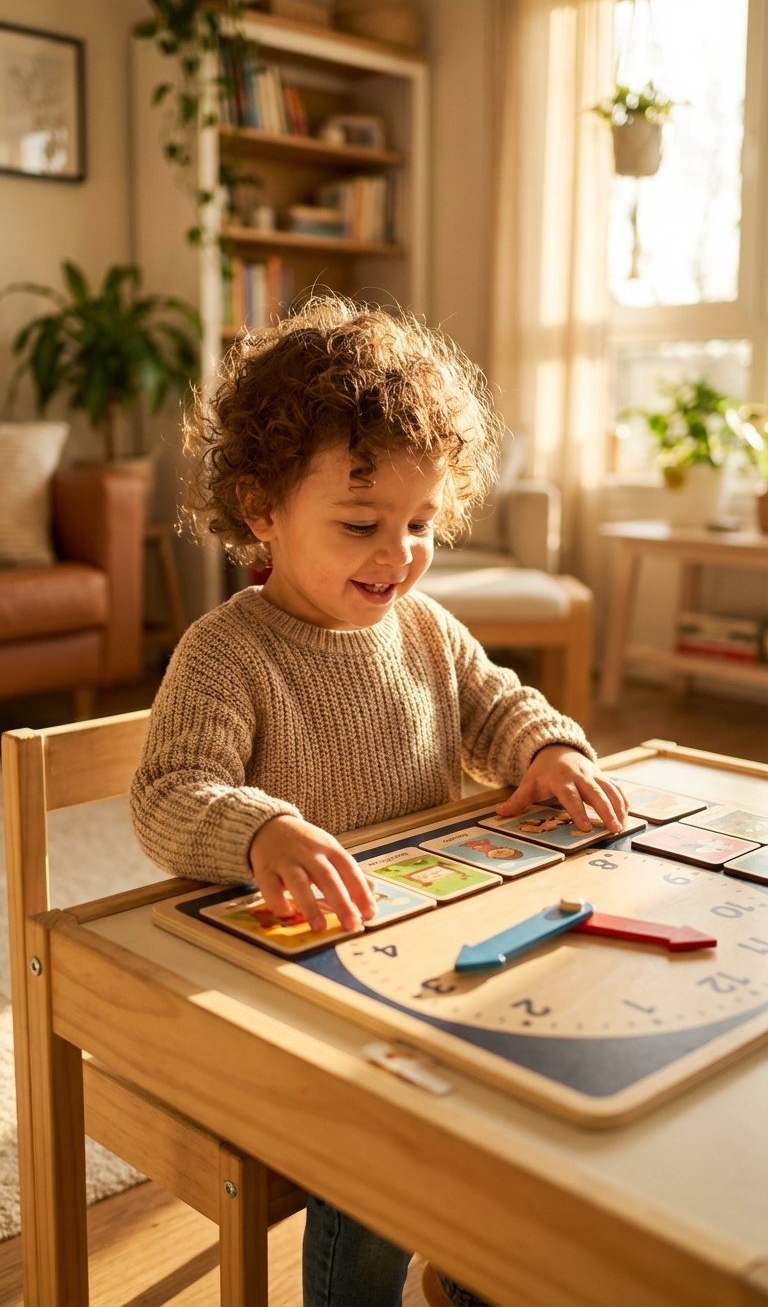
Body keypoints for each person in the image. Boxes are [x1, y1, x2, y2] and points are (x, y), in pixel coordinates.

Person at [130, 293, 628, 1307]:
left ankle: (477, 1270)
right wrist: (260, 825)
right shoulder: (228, 651)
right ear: (264, 511)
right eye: (362, 523)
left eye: (419, 522)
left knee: (527, 1084)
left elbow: (501, 702)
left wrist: (546, 748)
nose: (399, 552)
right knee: (384, 1135)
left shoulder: (428, 629)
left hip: (425, 944)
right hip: (293, 989)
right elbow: (167, 795)